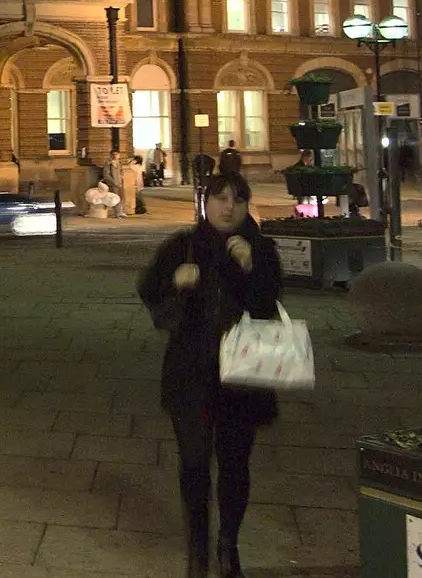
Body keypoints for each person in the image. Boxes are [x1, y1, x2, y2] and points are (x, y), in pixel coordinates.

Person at [137, 171, 280, 578]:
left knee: (235, 465)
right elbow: (148, 289)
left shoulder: (261, 248)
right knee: (195, 464)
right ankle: (197, 553)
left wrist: (250, 268)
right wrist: (175, 281)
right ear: (207, 202)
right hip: (191, 373)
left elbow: (270, 304)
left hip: (243, 378)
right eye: (220, 198)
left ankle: (228, 546)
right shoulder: (183, 246)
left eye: (236, 199)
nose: (227, 206)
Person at [103, 151, 127, 217]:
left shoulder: (119, 163)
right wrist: (113, 182)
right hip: (113, 183)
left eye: (116, 154)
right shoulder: (108, 164)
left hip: (120, 182)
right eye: (113, 154)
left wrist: (122, 180)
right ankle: (116, 212)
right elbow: (106, 174)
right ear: (110, 155)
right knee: (115, 198)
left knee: (121, 197)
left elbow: (121, 172)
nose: (115, 156)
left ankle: (121, 211)